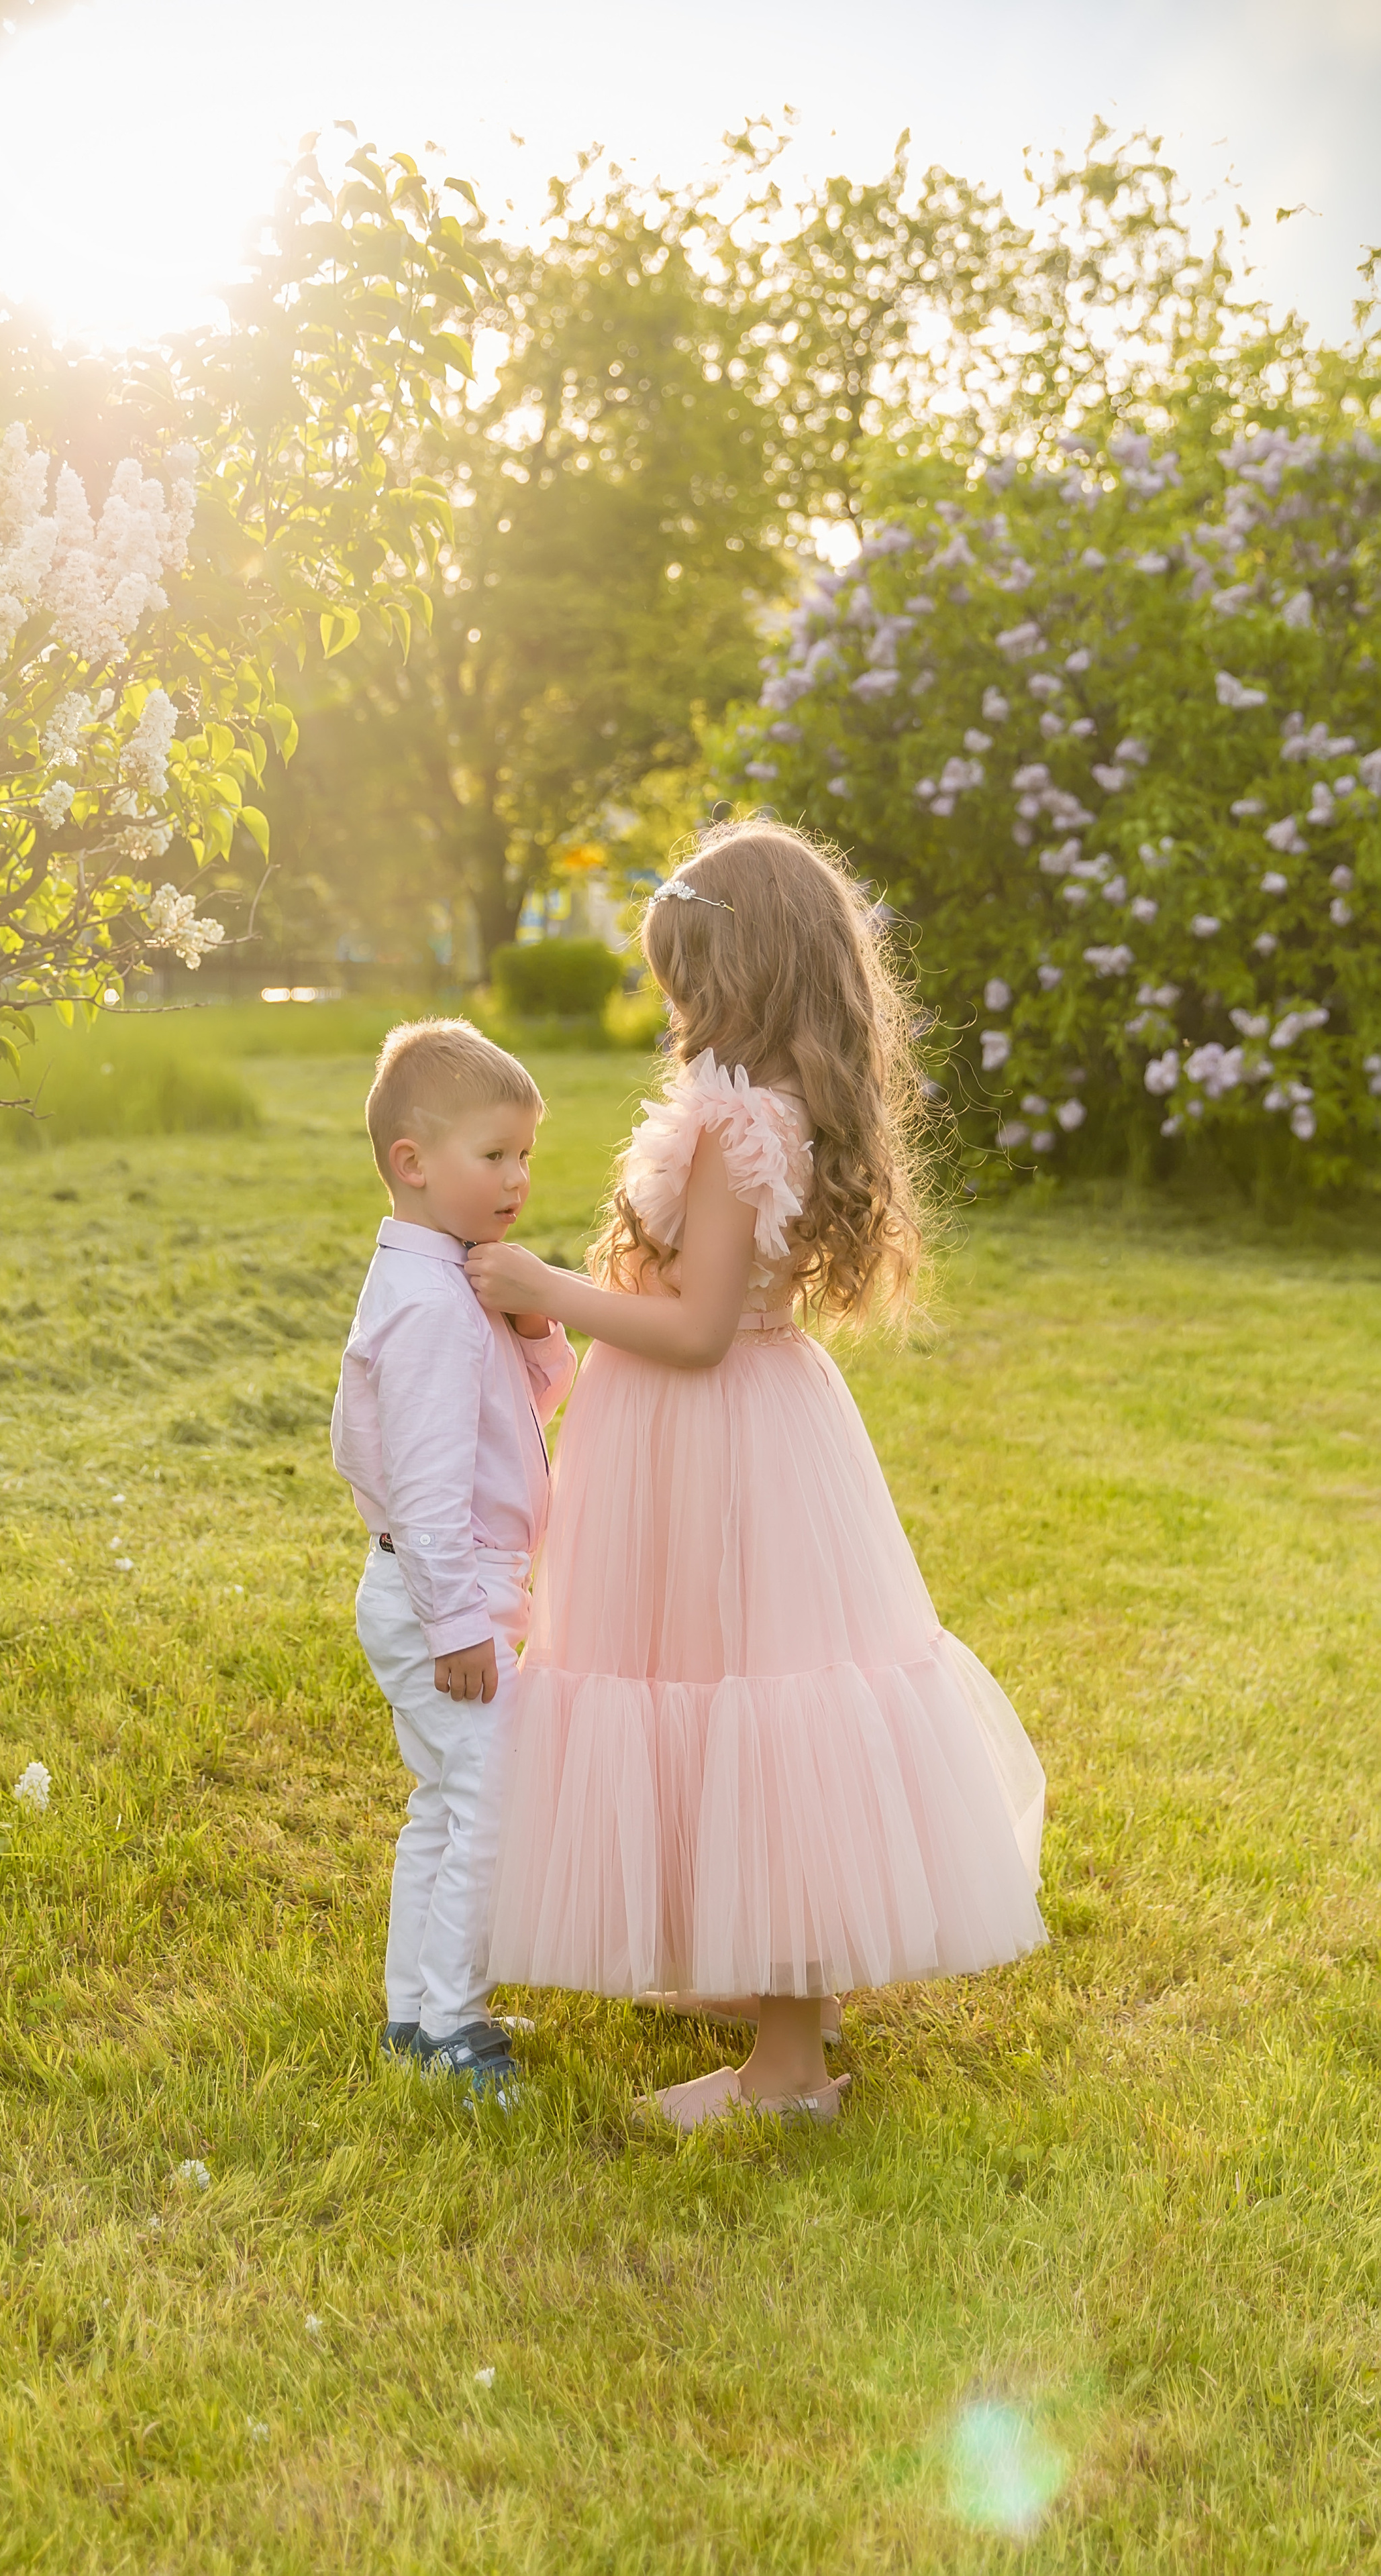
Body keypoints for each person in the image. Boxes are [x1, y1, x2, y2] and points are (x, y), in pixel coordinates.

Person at [464, 822, 1047, 2131]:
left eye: (682, 978)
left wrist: (540, 1284)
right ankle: (774, 1979)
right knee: (720, 1683)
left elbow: (697, 1328)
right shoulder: (766, 1111)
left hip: (714, 1434)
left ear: (739, 976)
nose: (672, 1005)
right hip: (728, 1433)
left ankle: (786, 2072)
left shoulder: (735, 1128)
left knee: (753, 1702)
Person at [331, 1018, 576, 2100]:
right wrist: (456, 1626)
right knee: (490, 1801)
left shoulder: (450, 1283)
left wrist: (531, 1326)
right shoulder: (429, 1308)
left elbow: (530, 1408)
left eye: (527, 1154)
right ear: (414, 1162)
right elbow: (429, 1488)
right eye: (494, 1154)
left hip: (452, 1587)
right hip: (447, 1592)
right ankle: (455, 2029)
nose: (518, 1177)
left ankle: (415, 2010)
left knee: (443, 1801)